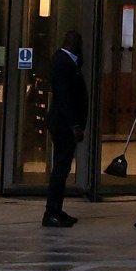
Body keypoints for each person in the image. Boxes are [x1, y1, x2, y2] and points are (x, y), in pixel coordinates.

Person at [43, 31, 87, 228]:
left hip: (64, 123)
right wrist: (74, 125)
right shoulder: (63, 63)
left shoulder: (67, 62)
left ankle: (56, 209)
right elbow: (65, 97)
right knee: (61, 168)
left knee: (63, 166)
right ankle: (52, 211)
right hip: (63, 124)